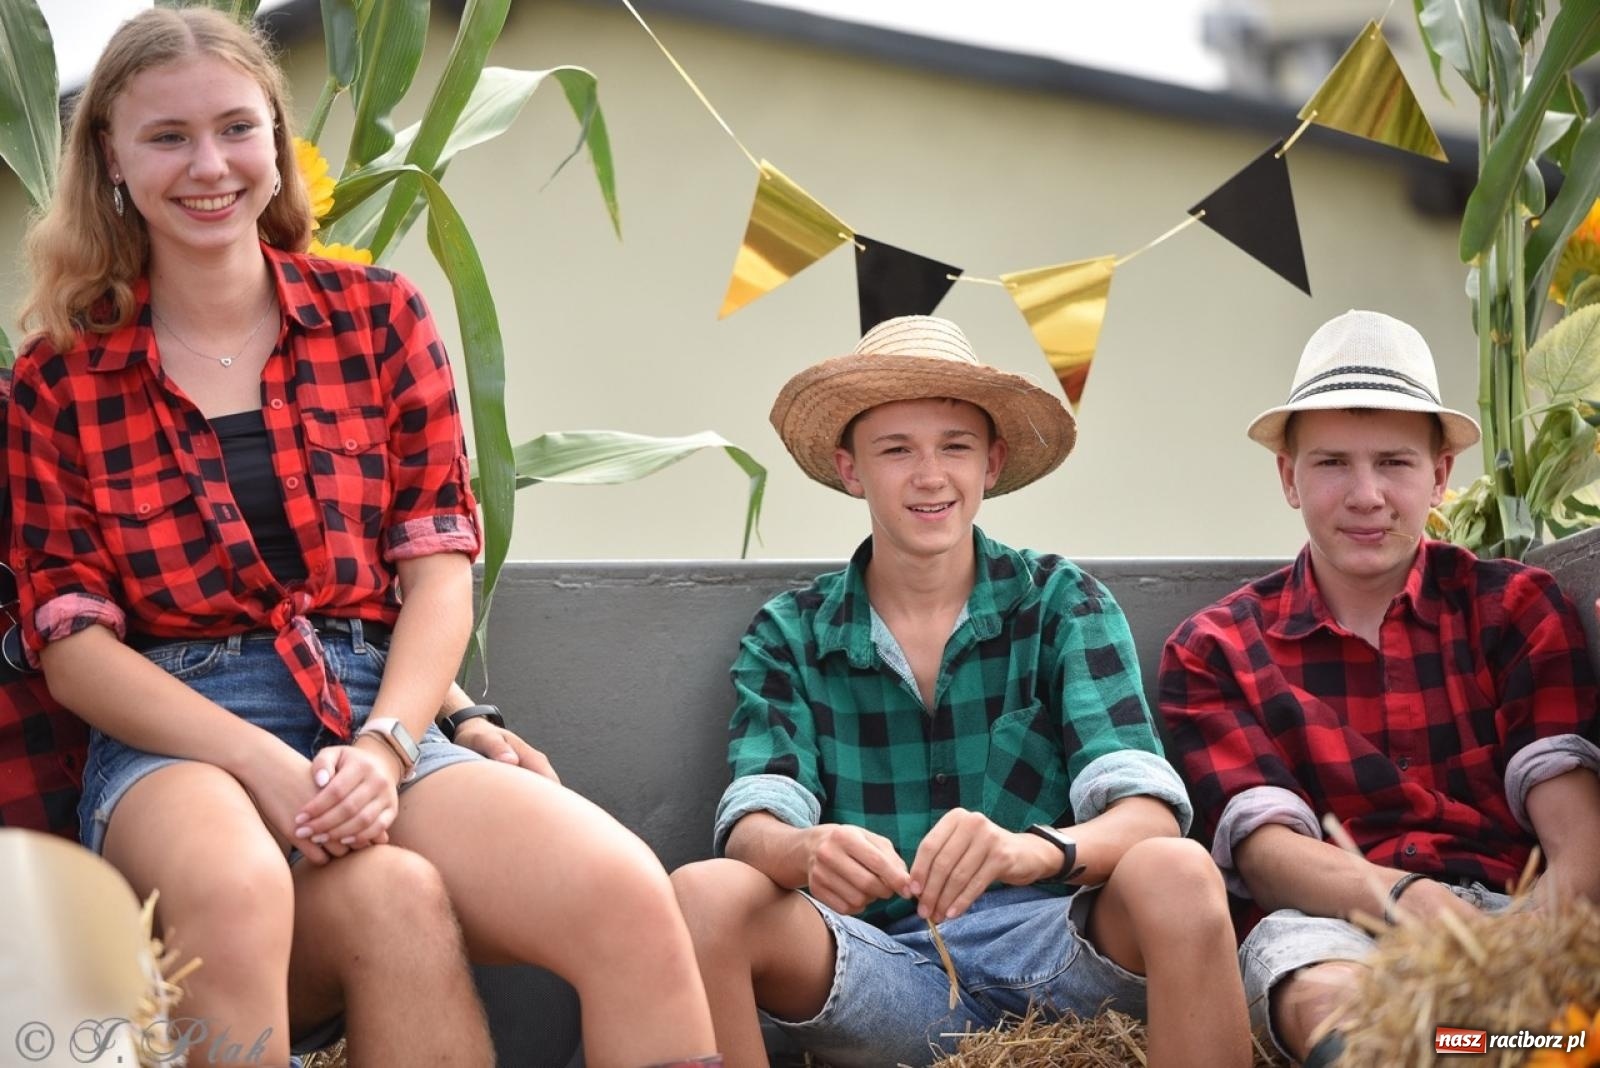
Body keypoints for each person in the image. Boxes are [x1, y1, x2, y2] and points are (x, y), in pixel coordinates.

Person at [9, 9, 719, 1067]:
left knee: (623, 891)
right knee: (237, 888)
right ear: (110, 156)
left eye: (236, 128)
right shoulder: (59, 378)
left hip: (373, 706)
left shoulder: (378, 316)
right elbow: (73, 649)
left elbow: (438, 574)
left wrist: (388, 746)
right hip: (177, 737)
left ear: (275, 137)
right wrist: (264, 764)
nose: (209, 166)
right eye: (167, 137)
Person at [669, 316, 1250, 1068]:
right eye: (896, 450)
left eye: (955, 447)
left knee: (1182, 872)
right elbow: (754, 823)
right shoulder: (790, 631)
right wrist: (807, 850)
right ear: (851, 470)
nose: (930, 476)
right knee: (704, 893)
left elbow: (1149, 816)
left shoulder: (1062, 602)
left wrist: (1028, 852)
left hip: (1059, 951)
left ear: (991, 462)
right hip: (883, 968)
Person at [1158, 310, 1600, 1066]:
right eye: (1332, 463)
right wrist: (1405, 897)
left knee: (1549, 1023)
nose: (1366, 495)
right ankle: (1451, 1053)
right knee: (1324, 995)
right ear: (1289, 477)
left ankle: (1498, 1047)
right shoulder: (1218, 648)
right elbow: (1267, 855)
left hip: (1520, 906)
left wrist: (1527, 944)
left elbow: (1576, 833)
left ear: (1440, 475)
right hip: (1333, 922)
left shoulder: (1515, 608)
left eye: (1394, 462)